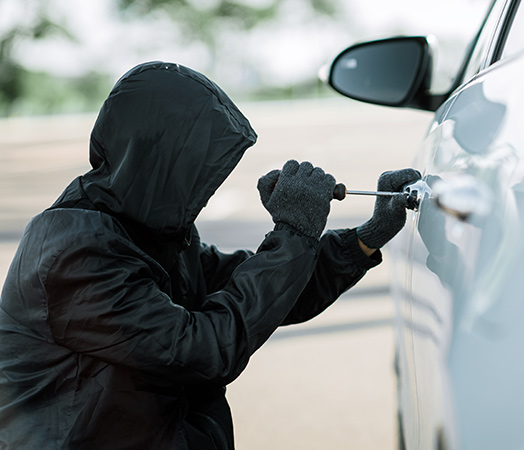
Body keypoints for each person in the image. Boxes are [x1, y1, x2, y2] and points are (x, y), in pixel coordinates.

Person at [0, 61, 420, 449]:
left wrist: (364, 238)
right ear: (154, 157)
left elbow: (262, 297)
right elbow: (203, 350)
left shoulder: (152, 231)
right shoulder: (72, 251)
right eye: (197, 170)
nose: (208, 187)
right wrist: (293, 232)